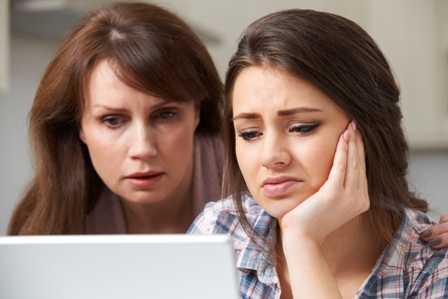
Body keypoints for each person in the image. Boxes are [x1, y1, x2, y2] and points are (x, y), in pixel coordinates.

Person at [189, 9, 448, 298]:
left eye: (302, 127)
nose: (270, 156)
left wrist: (303, 241)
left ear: (369, 128)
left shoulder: (432, 267)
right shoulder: (218, 232)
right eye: (250, 133)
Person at [8, 2, 224, 235]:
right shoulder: (47, 225)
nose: (142, 149)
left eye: (165, 115)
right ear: (78, 124)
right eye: (112, 120)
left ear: (197, 112)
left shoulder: (252, 180)